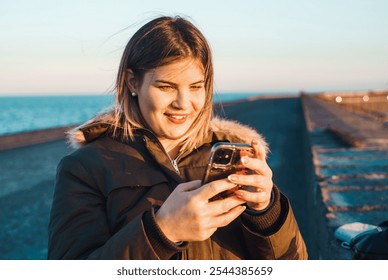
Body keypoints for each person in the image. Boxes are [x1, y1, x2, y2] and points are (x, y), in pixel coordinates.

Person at [48, 15, 308, 260]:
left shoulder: (236, 153)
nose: (184, 104)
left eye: (196, 87)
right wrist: (162, 232)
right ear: (132, 83)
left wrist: (266, 211)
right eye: (166, 87)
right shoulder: (85, 167)